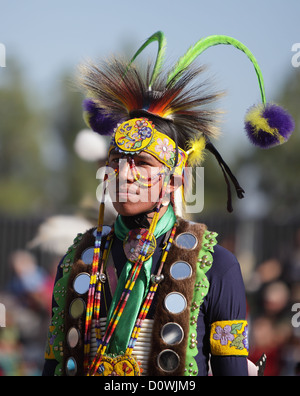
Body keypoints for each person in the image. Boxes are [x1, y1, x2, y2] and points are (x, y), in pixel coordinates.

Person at [42, 32, 294, 376]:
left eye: (142, 163)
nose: (123, 173)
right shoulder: (77, 260)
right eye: (117, 159)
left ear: (176, 179)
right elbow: (52, 365)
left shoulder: (218, 267)